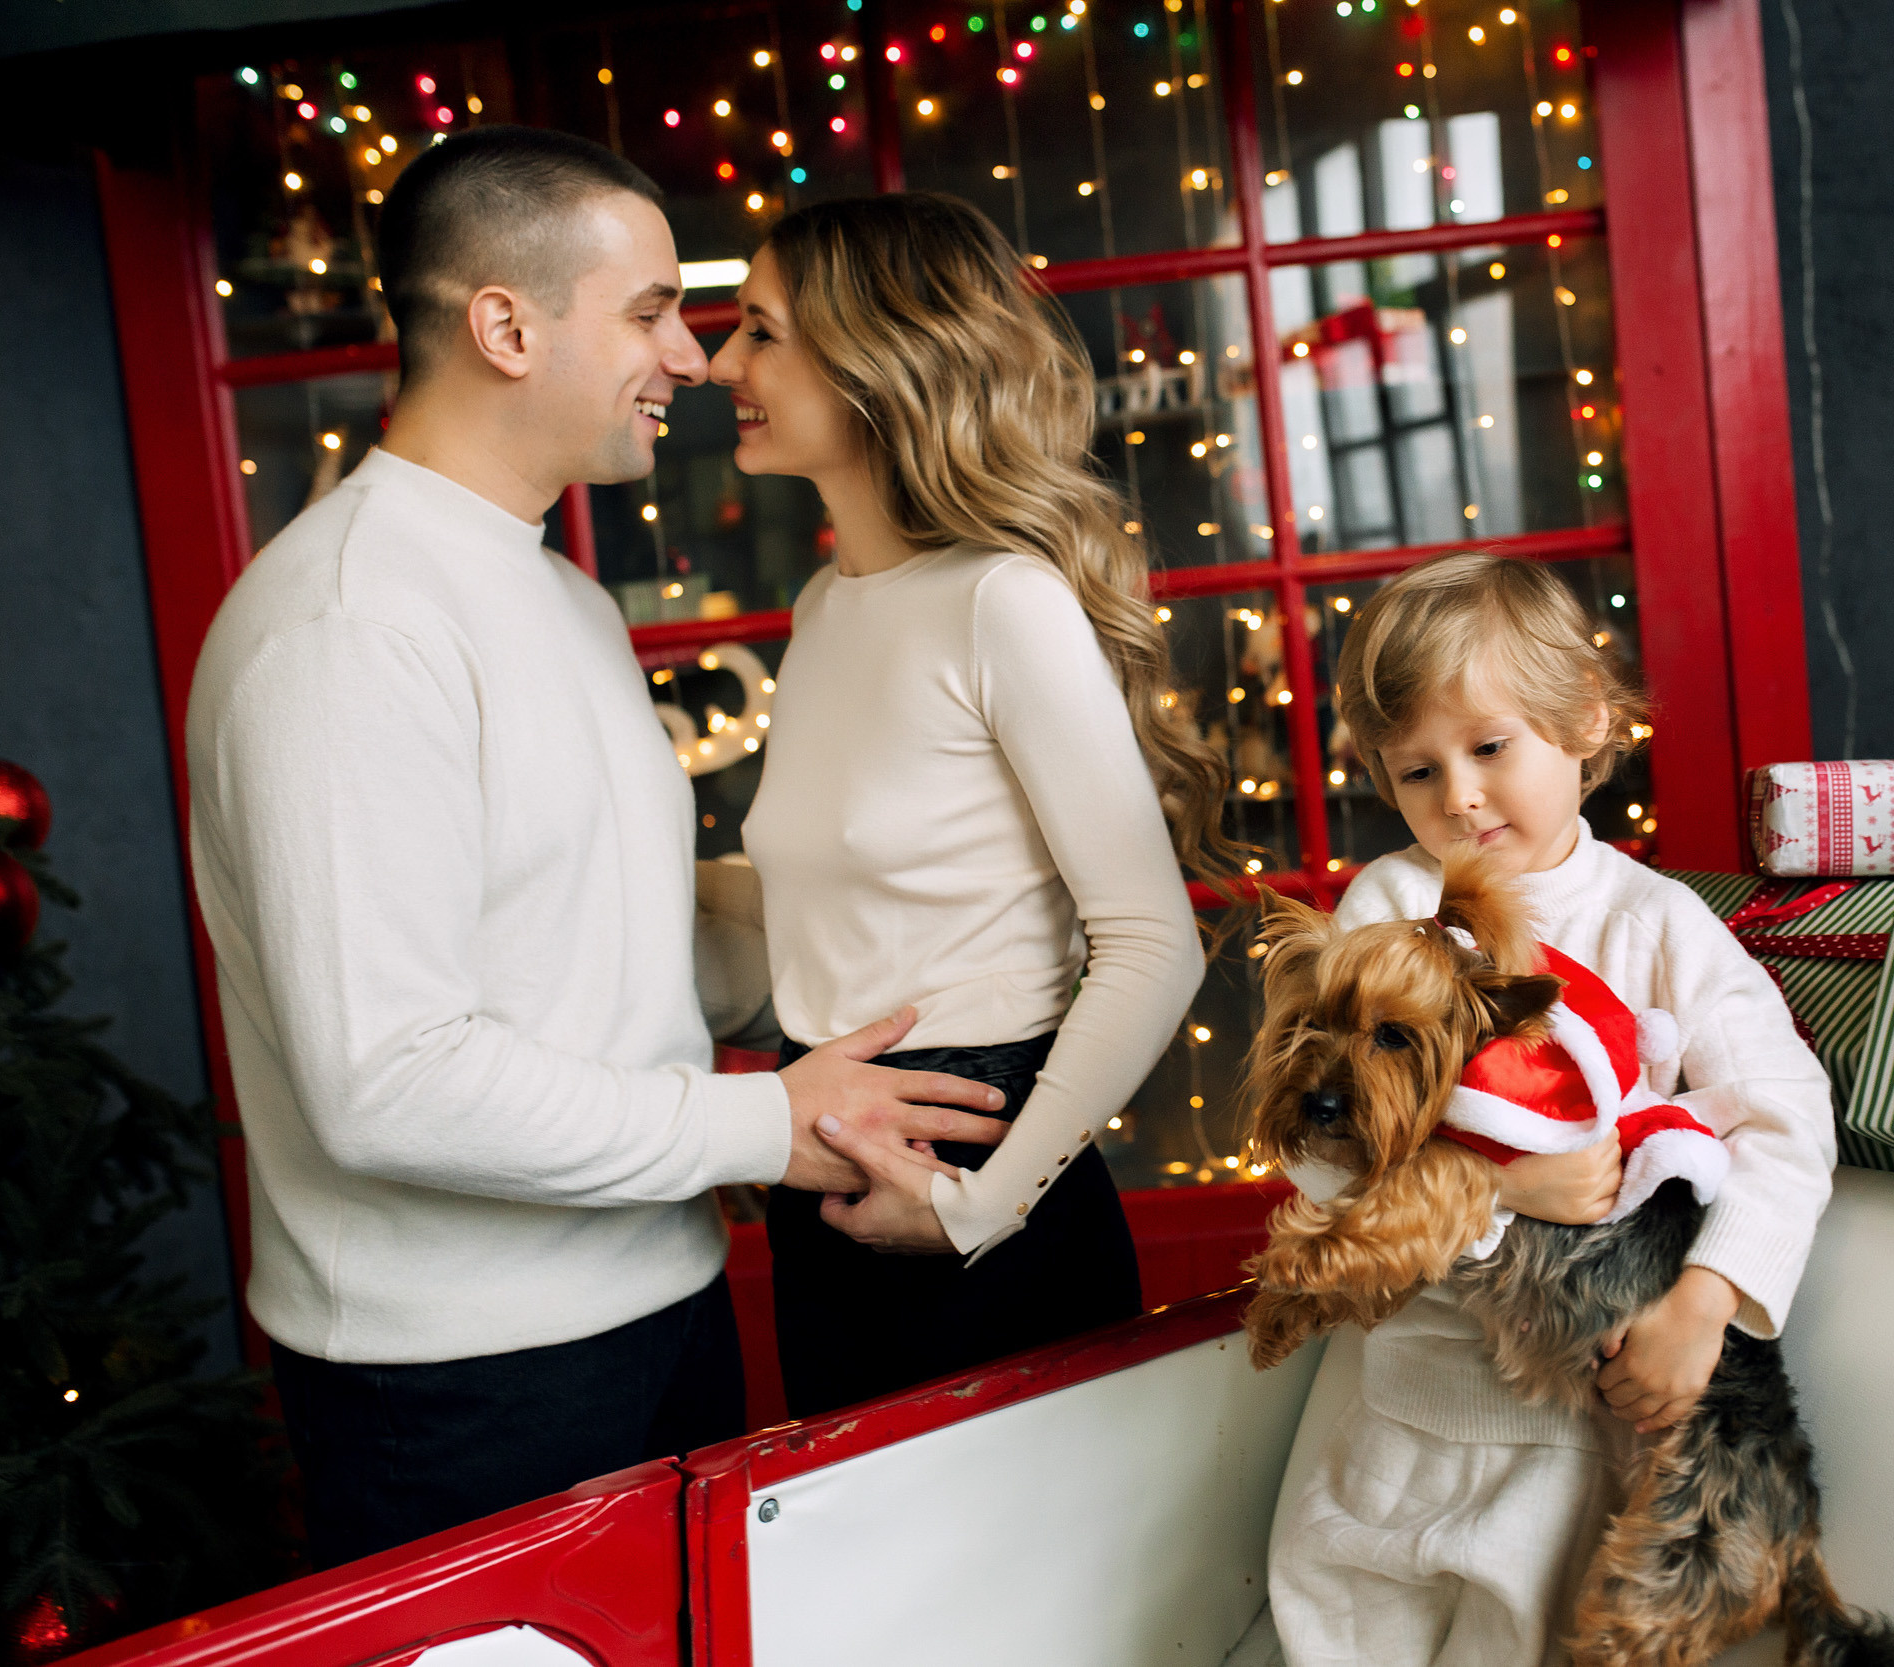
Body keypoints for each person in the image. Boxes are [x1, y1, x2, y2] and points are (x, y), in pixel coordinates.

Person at [184, 129, 1008, 1569]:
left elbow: (604, 936)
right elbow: (388, 1078)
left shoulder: (560, 593)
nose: (693, 358)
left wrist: (928, 914)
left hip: (662, 1312)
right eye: (649, 313)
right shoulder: (348, 626)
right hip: (462, 1383)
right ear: (506, 328)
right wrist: (767, 1123)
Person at [706, 193, 1232, 1415]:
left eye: (760, 331)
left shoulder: (1004, 600)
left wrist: (980, 1206)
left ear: (877, 361)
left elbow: (1152, 940)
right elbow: (840, 904)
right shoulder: (823, 605)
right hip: (823, 1176)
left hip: (977, 1191)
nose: (722, 364)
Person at [1266, 553, 1837, 1666]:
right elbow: (1318, 1137)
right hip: (1395, 1398)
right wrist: (1498, 1186)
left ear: (1585, 719)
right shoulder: (1391, 906)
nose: (1458, 796)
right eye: (1418, 770)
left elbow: (1786, 1115)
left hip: (1565, 1433)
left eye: (1489, 748)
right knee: (1334, 1622)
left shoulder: (1654, 922)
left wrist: (1707, 1301)